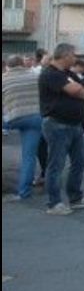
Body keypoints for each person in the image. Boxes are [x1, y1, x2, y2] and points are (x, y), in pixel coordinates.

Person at [39, 43, 84, 215]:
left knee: (80, 161)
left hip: (74, 125)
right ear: (64, 55)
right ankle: (54, 203)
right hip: (57, 124)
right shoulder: (51, 74)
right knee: (56, 164)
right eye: (73, 54)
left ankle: (75, 197)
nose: (75, 58)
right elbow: (78, 92)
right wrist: (83, 88)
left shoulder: (68, 73)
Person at [2, 55, 43, 201]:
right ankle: (24, 192)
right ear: (23, 64)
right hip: (35, 118)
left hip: (12, 117)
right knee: (29, 156)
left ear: (8, 66)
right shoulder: (36, 76)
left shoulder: (4, 79)